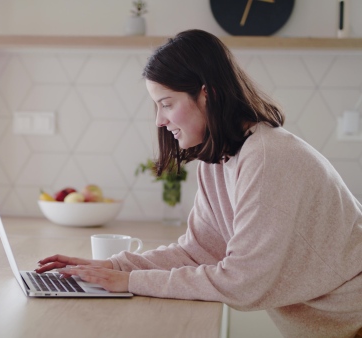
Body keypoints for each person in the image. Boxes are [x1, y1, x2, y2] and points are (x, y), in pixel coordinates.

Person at [35, 29, 362, 338]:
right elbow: (199, 252)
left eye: (166, 104)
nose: (159, 121)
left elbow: (242, 283)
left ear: (208, 94)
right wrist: (111, 266)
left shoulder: (267, 156)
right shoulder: (219, 159)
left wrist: (129, 280)